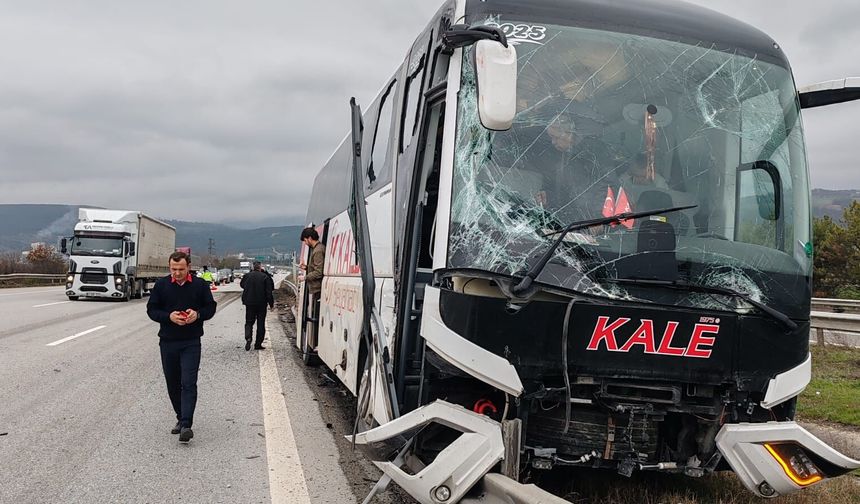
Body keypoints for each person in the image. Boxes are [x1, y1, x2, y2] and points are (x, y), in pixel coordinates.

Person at [146, 251, 217, 444]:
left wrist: (198, 315)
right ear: (169, 268)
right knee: (173, 383)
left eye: (181, 269)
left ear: (189, 267)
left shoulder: (200, 285)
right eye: (173, 269)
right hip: (168, 341)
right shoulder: (161, 286)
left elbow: (210, 307)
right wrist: (168, 317)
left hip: (191, 341)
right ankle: (180, 416)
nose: (177, 273)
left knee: (188, 382)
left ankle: (186, 424)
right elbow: (152, 310)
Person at [299, 228, 325, 350]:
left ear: (309, 238)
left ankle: (317, 343)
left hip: (317, 289)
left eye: (305, 241)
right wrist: (306, 267)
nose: (305, 243)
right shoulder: (317, 249)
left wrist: (305, 278)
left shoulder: (318, 251)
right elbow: (315, 268)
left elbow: (319, 272)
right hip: (315, 288)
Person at [240, 261, 274, 351]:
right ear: (260, 267)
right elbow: (269, 291)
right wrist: (271, 304)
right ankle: (258, 344)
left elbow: (242, 285)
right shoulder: (265, 277)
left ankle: (248, 337)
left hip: (249, 302)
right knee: (260, 323)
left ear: (252, 267)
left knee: (249, 322)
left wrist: (249, 288)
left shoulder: (247, 276)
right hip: (261, 303)